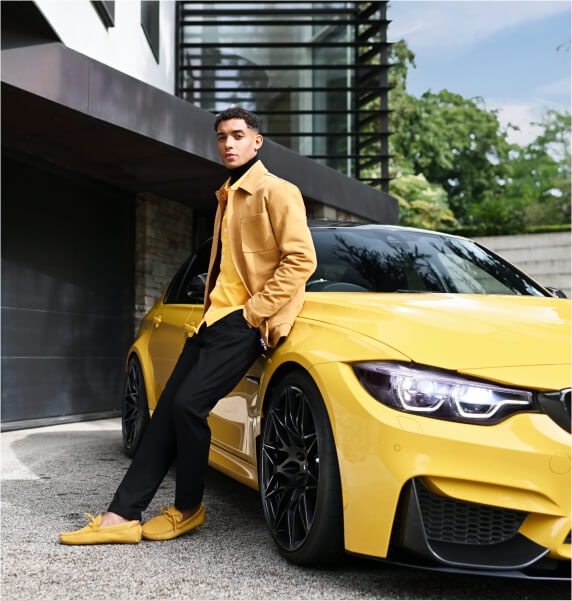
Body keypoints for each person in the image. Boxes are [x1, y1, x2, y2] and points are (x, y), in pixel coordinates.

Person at [59, 107, 317, 544]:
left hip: (245, 323)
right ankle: (120, 517)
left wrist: (255, 312)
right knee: (164, 417)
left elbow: (301, 260)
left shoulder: (277, 191)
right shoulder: (226, 197)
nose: (229, 144)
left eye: (237, 135)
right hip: (210, 322)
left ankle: (188, 508)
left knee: (187, 407)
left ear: (257, 141)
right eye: (221, 137)